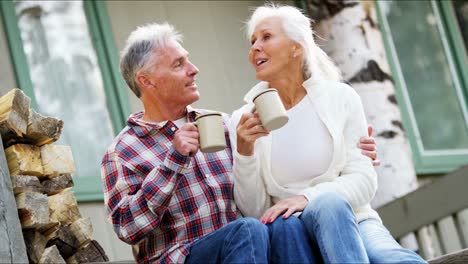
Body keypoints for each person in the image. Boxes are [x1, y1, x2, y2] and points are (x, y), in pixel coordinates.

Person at [101, 22, 379, 263]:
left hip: (248, 249)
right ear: (147, 81)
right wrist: (172, 161)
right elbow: (128, 228)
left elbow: (277, 167)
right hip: (182, 257)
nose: (194, 69)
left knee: (286, 227)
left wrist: (351, 149)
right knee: (249, 229)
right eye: (179, 64)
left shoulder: (225, 124)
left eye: (188, 60)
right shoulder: (123, 151)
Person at [229, 4, 426, 264]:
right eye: (253, 41)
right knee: (328, 204)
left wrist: (308, 197)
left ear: (296, 47)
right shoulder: (242, 120)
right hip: (292, 234)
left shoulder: (340, 97)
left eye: (266, 37)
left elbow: (364, 181)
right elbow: (255, 210)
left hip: (354, 218)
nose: (255, 47)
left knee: (393, 259)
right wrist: (245, 152)